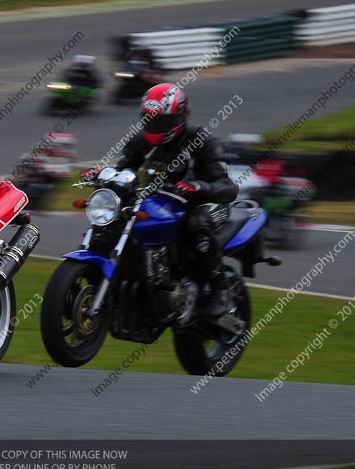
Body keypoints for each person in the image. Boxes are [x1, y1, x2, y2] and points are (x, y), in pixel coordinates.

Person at [81, 83, 239, 324]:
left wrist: (199, 187)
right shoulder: (140, 141)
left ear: (180, 117)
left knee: (195, 224)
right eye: (149, 120)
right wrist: (102, 175)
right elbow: (123, 170)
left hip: (205, 204)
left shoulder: (202, 141)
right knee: (116, 218)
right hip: (160, 201)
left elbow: (227, 187)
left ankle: (220, 289)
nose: (155, 127)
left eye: (161, 121)